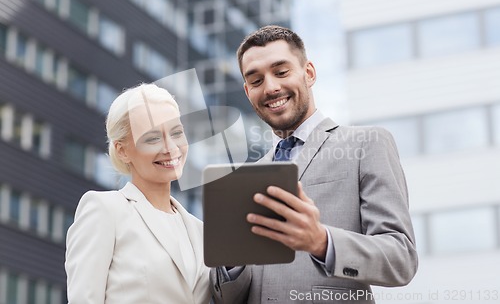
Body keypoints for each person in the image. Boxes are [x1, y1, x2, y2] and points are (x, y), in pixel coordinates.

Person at [209, 26, 418, 304]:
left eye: (281, 72)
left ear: (309, 73)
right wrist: (231, 262)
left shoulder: (367, 144)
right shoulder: (244, 180)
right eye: (256, 81)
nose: (270, 87)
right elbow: (229, 297)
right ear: (248, 92)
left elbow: (401, 258)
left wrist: (321, 241)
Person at [65, 84, 210, 304]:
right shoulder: (105, 211)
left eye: (177, 133)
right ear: (122, 150)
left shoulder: (200, 231)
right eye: (152, 138)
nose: (171, 148)